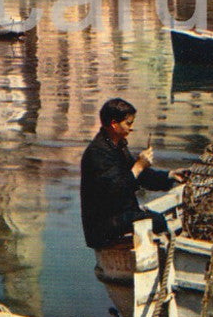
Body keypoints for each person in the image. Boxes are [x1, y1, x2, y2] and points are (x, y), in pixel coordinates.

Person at [80, 97, 188, 250]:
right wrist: (138, 166)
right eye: (128, 123)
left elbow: (141, 176)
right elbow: (115, 191)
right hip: (103, 226)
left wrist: (170, 175)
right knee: (158, 221)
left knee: (157, 220)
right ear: (114, 124)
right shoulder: (97, 153)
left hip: (118, 215)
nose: (132, 128)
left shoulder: (117, 145)